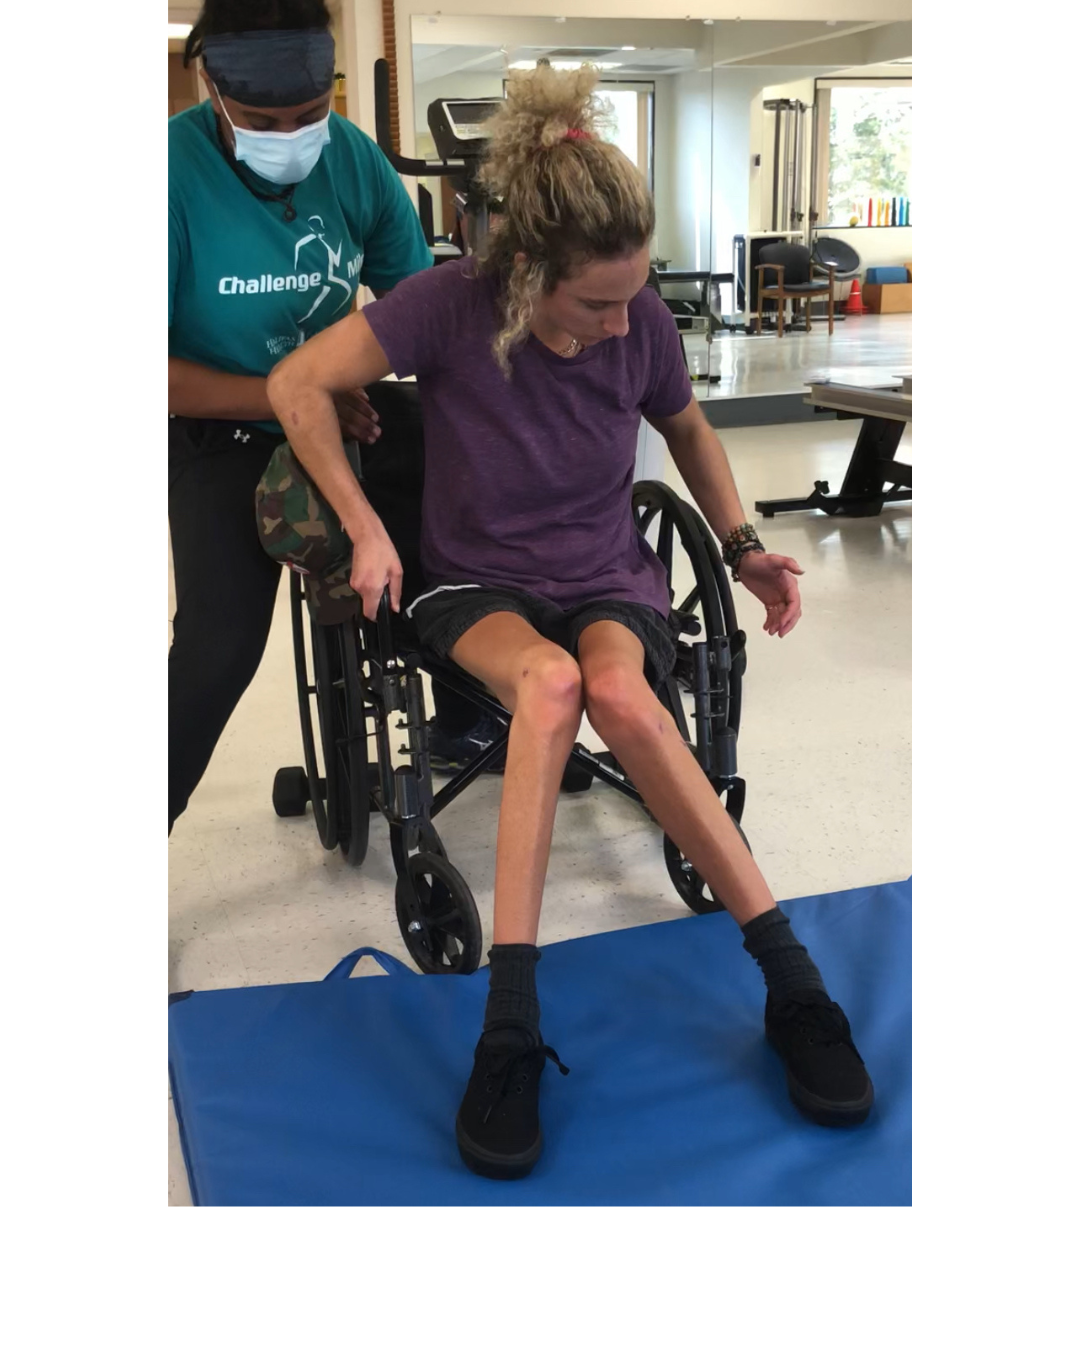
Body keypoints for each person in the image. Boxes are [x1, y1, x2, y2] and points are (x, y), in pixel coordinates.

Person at [265, 65, 874, 1180]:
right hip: (474, 581)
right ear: (522, 273)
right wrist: (363, 526)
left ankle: (795, 987)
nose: (620, 322)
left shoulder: (636, 317)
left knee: (626, 693)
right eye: (593, 303)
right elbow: (297, 385)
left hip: (604, 571)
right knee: (548, 688)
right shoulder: (448, 305)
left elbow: (688, 433)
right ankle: (509, 1029)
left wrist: (741, 549)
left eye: (629, 298)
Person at [168, 0, 493, 837]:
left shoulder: (351, 159)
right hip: (219, 424)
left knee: (455, 545)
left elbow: (418, 306)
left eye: (309, 114)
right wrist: (292, 391)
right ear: (213, 87)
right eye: (263, 120)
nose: (292, 134)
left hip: (348, 407)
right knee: (218, 648)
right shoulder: (173, 174)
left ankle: (469, 716)